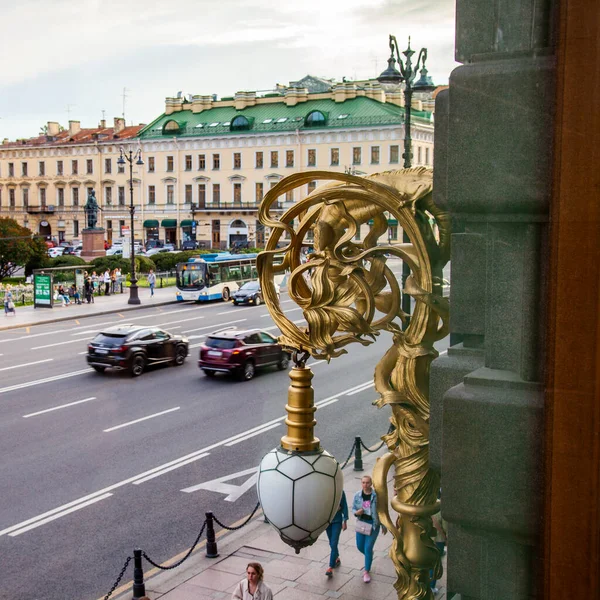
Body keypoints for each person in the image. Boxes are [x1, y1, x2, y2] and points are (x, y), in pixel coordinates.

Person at [352, 475, 381, 583]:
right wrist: (356, 513)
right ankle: (369, 557)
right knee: (360, 546)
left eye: (367, 482)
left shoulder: (376, 496)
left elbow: (381, 511)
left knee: (368, 548)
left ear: (371, 483)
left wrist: (383, 525)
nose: (365, 485)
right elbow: (354, 508)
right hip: (361, 523)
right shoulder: (357, 495)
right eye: (363, 482)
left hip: (373, 524)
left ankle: (366, 571)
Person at [325, 491, 348, 577]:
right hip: (327, 521)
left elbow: (344, 506)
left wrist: (345, 521)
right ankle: (336, 557)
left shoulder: (340, 492)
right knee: (331, 542)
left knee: (334, 543)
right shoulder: (324, 491)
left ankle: (331, 567)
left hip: (337, 521)